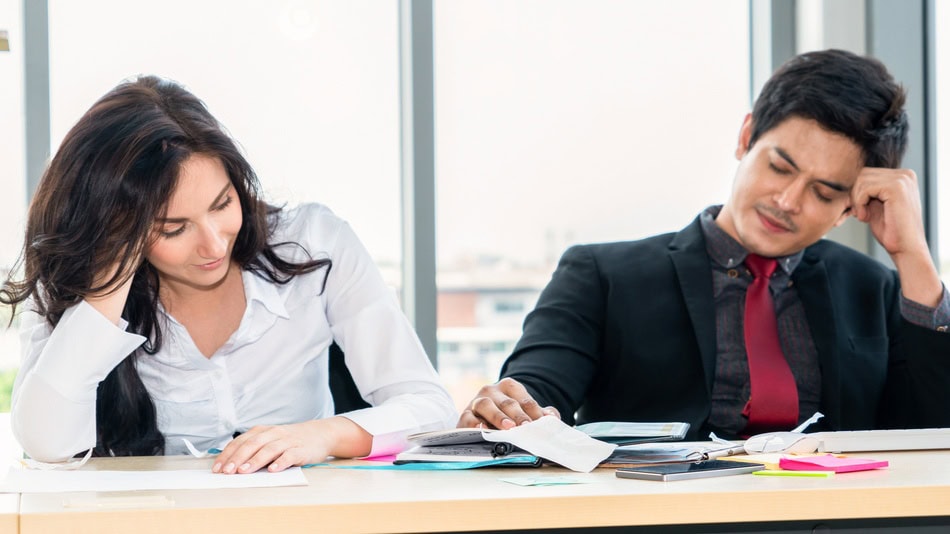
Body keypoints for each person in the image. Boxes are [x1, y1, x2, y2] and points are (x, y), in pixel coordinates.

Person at [459, 49, 950, 440]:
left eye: (824, 192)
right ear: (745, 137)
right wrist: (508, 407)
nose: (787, 200)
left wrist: (914, 259)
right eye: (779, 167)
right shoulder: (603, 275)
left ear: (851, 206)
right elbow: (536, 392)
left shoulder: (876, 289)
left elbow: (932, 435)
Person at [1, 75, 456, 472]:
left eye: (223, 204)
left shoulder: (315, 241)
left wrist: (319, 436)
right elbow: (47, 446)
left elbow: (429, 407)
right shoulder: (76, 278)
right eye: (173, 228)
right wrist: (109, 279)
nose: (215, 245)